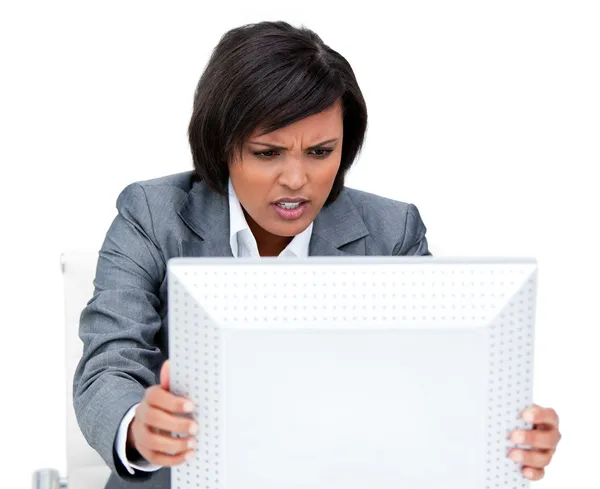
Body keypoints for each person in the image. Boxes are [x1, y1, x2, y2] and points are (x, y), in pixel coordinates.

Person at [73, 20, 561, 489]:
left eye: (321, 152)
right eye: (268, 153)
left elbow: (436, 386)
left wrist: (509, 431)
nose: (296, 180)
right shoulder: (154, 215)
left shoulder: (392, 233)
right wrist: (141, 430)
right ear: (223, 147)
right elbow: (109, 362)